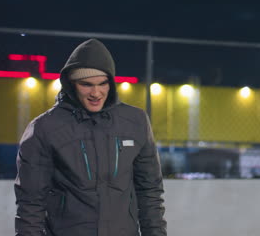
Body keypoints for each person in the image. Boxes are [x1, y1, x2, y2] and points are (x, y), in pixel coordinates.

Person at [14, 38, 167, 236]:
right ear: (71, 84)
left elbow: (150, 192)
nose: (96, 93)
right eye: (86, 84)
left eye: (103, 83)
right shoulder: (45, 128)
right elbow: (30, 202)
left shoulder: (135, 122)